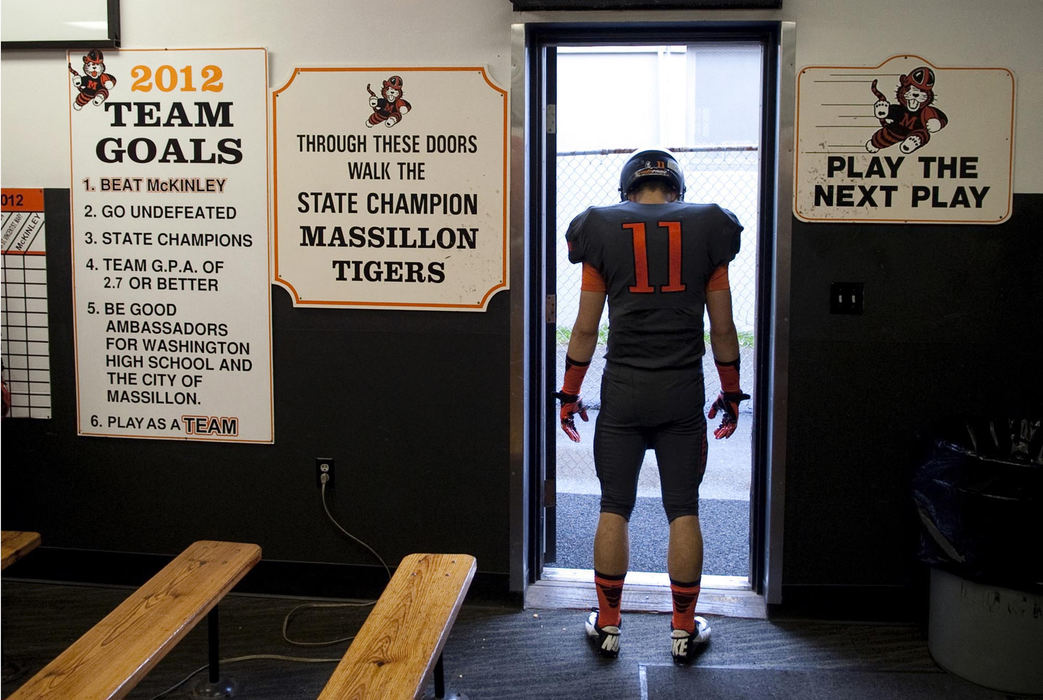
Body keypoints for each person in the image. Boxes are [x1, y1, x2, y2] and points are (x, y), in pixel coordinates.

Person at [555, 148, 749, 663]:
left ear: (627, 191)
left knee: (613, 505)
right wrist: (730, 392)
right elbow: (723, 328)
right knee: (683, 509)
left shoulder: (599, 227)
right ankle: (683, 631)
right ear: (677, 189)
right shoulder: (708, 227)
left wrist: (570, 392)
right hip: (681, 393)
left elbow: (585, 328)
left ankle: (610, 626)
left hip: (623, 393)